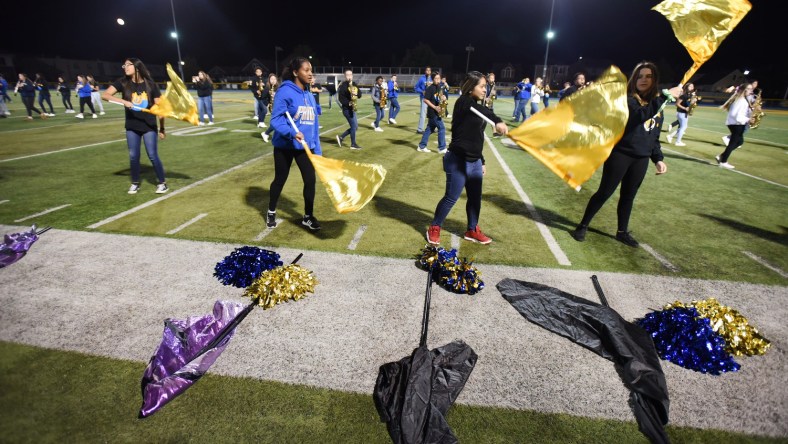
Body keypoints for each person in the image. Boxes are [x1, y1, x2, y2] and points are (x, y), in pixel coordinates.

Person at [571, 61, 681, 247]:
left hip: (642, 158)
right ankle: (582, 226)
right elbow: (640, 116)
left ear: (654, 80)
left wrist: (658, 158)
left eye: (648, 76)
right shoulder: (628, 100)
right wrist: (664, 98)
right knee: (605, 192)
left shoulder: (656, 104)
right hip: (621, 154)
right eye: (640, 76)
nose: (643, 79)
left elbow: (653, 135)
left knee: (628, 196)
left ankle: (622, 232)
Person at [426, 71, 509, 246]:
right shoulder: (464, 103)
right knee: (451, 197)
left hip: (475, 161)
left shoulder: (477, 106)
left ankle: (472, 229)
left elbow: (476, 136)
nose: (485, 90)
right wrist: (497, 121)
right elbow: (481, 110)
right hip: (458, 159)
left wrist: (482, 160)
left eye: (485, 86)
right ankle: (434, 227)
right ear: (471, 87)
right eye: (481, 86)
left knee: (475, 198)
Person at [266, 56, 322, 231]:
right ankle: (271, 210)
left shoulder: (308, 93)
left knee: (310, 181)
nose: (310, 73)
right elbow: (275, 120)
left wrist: (317, 151)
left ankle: (307, 216)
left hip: (305, 146)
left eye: (311, 70)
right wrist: (291, 133)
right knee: (280, 179)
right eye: (306, 70)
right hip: (285, 145)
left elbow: (313, 125)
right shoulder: (285, 92)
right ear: (295, 72)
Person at [102, 58, 168, 194]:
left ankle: (162, 183)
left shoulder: (151, 85)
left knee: (152, 155)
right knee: (133, 156)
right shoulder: (122, 82)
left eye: (128, 65)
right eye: (124, 65)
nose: (125, 67)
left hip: (149, 125)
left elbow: (160, 109)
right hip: (132, 125)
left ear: (137, 67)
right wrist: (123, 102)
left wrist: (162, 128)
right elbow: (105, 95)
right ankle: (135, 183)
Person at [716, 82, 753, 170]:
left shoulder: (742, 99)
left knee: (739, 142)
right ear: (744, 90)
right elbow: (736, 115)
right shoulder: (741, 101)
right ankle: (723, 161)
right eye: (750, 89)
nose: (751, 91)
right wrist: (748, 119)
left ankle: (721, 157)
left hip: (736, 123)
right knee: (733, 143)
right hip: (736, 124)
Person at [417, 72, 447, 154]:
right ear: (432, 79)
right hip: (433, 112)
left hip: (438, 112)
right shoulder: (430, 88)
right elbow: (425, 100)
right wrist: (434, 107)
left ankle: (421, 146)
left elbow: (440, 97)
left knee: (429, 129)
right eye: (436, 78)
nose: (437, 80)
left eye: (439, 78)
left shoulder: (440, 87)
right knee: (442, 128)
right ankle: (441, 148)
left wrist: (443, 98)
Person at [336, 68, 362, 149]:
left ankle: (341, 137)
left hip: (353, 109)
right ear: (345, 76)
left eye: (350, 75)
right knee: (354, 127)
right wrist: (349, 103)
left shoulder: (354, 84)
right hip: (347, 110)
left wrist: (356, 93)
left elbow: (360, 94)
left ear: (352, 75)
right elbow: (341, 99)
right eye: (347, 75)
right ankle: (353, 144)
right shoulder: (343, 86)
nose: (349, 76)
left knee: (355, 127)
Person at [414, 66, 432, 134]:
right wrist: (422, 91)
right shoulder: (422, 79)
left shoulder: (432, 78)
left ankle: (431, 127)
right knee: (423, 113)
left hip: (431, 98)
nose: (428, 72)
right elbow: (416, 87)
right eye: (427, 70)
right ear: (425, 71)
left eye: (429, 70)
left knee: (431, 113)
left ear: (430, 71)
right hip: (424, 98)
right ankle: (420, 129)